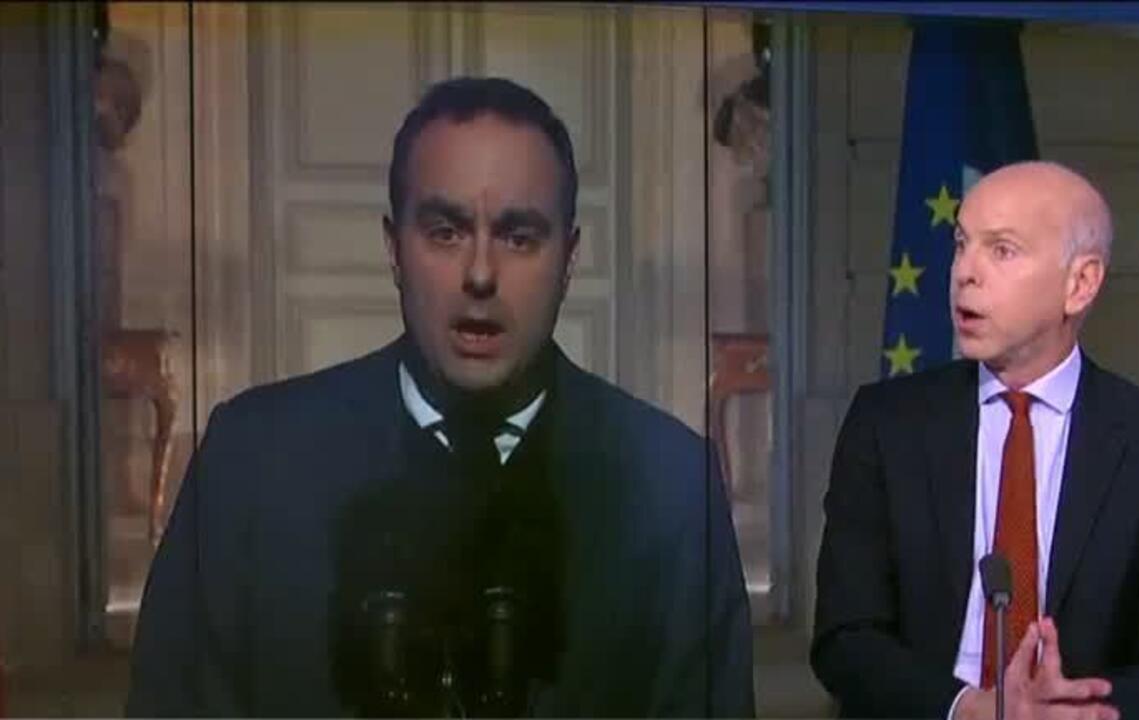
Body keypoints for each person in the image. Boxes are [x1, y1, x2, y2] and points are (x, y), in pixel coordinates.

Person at [126, 76, 754, 718]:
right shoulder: (250, 463)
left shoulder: (673, 487)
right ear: (394, 249)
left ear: (568, 260)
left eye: (519, 237)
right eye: (446, 231)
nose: (480, 274)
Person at [810, 161, 1139, 720]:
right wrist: (970, 709)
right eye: (961, 244)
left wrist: (1068, 712)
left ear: (1080, 284)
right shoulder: (886, 424)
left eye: (1002, 250)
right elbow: (845, 638)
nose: (965, 272)